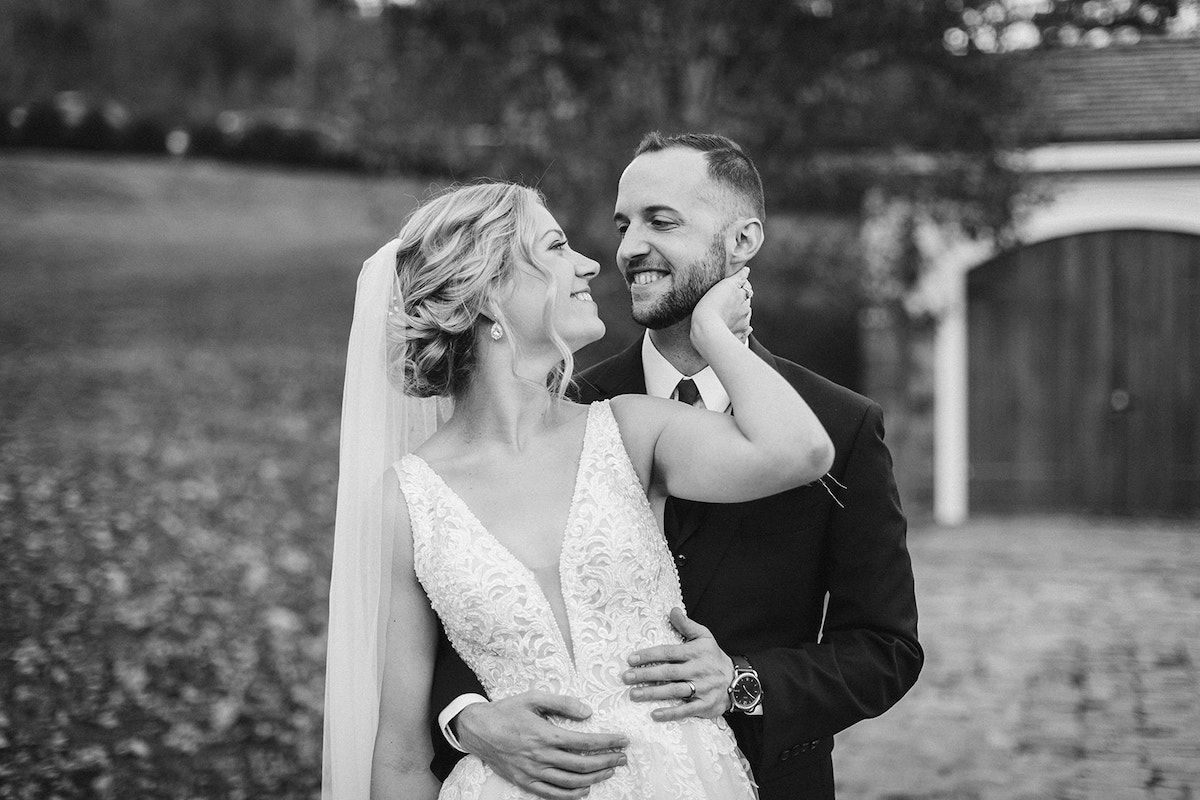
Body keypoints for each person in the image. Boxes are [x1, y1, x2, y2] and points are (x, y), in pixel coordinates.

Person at [427, 134, 923, 800]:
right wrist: (470, 718)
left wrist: (744, 680)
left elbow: (885, 649)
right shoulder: (568, 408)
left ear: (742, 241)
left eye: (661, 221)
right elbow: (467, 600)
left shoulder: (838, 425)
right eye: (623, 225)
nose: (629, 248)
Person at [321, 180, 836, 799]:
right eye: (557, 246)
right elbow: (400, 755)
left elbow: (801, 451)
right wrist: (466, 720)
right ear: (488, 292)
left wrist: (714, 334)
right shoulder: (407, 501)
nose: (591, 263)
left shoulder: (630, 429)